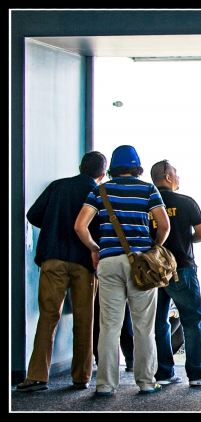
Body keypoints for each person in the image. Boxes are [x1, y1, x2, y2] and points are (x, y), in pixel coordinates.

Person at [75, 145, 170, 396]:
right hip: (140, 263)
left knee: (109, 326)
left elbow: (80, 226)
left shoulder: (100, 190)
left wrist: (95, 248)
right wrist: (154, 249)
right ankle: (147, 382)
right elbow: (164, 225)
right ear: (137, 166)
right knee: (143, 326)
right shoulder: (148, 189)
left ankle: (105, 385)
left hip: (108, 262)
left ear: (113, 168)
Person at [17, 151, 106, 392]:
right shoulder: (99, 193)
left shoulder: (58, 187)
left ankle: (37, 376)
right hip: (85, 262)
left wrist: (53, 225)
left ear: (80, 166)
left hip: (53, 258)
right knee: (85, 318)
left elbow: (33, 214)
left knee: (48, 316)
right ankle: (82, 377)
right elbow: (102, 228)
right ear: (101, 174)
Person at [147, 160, 201, 387]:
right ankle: (197, 375)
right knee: (192, 321)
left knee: (158, 324)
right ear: (167, 177)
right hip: (182, 269)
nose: (178, 177)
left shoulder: (145, 204)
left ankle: (163, 373)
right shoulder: (185, 202)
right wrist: (186, 239)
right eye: (176, 173)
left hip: (152, 271)